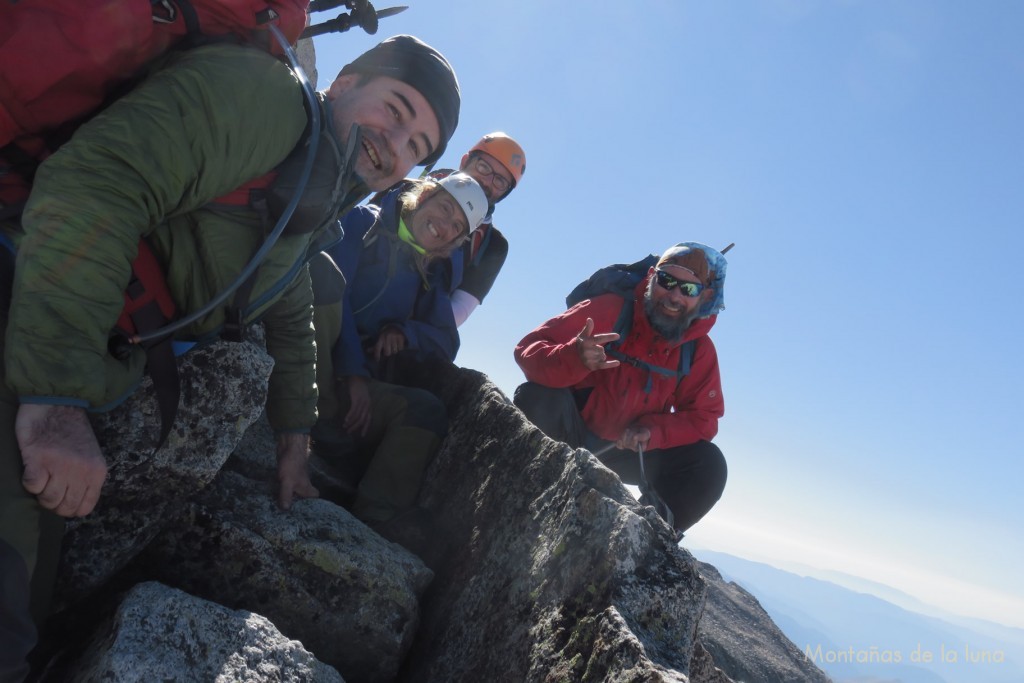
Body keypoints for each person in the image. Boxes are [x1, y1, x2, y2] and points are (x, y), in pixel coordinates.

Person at [0, 33, 460, 679]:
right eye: (397, 109)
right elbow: (96, 182)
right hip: (23, 284)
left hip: (85, 337)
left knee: (32, 587)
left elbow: (291, 315)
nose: (397, 145)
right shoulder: (268, 100)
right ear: (349, 81)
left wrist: (294, 436)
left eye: (418, 147)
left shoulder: (311, 189)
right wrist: (54, 402)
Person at [311, 173, 487, 537]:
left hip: (352, 387)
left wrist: (405, 331)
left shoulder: (428, 275)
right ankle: (320, 421)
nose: (443, 226)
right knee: (325, 284)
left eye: (456, 226)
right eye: (444, 207)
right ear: (423, 196)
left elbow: (445, 340)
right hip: (312, 353)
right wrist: (353, 373)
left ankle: (374, 519)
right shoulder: (362, 222)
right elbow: (332, 289)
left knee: (425, 410)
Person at [513, 243, 729, 536]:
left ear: (702, 297)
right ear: (652, 276)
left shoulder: (697, 349)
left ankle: (645, 537)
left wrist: (653, 432)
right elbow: (529, 348)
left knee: (709, 466)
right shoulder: (610, 309)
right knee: (537, 397)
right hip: (568, 432)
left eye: (688, 290)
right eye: (667, 281)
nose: (674, 296)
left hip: (629, 452)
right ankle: (527, 492)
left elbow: (705, 418)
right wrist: (573, 357)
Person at [370, 132, 526, 327]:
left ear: (505, 194)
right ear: (465, 161)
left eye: (500, 181)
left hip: (400, 336)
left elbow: (457, 311)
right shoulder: (403, 189)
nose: (487, 182)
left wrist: (405, 335)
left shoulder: (493, 245)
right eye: (483, 167)